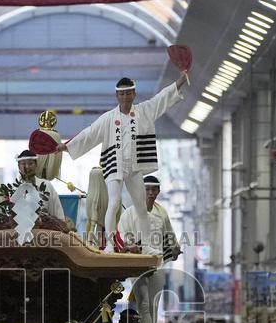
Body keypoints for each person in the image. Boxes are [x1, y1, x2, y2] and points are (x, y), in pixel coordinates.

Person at [55, 71, 188, 253]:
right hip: (115, 166)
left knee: (141, 206)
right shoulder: (108, 118)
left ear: (134, 94)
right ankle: (110, 243)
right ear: (117, 95)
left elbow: (162, 98)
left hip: (134, 166)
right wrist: (67, 146)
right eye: (122, 93)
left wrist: (180, 80)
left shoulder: (144, 111)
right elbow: (90, 133)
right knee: (114, 202)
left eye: (128, 93)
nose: (125, 97)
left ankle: (147, 245)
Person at [116, 175, 180, 323]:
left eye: (154, 189)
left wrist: (175, 249)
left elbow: (169, 234)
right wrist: (130, 245)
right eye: (147, 189)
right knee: (143, 303)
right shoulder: (129, 214)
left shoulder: (162, 212)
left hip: (157, 263)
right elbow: (121, 235)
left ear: (158, 191)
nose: (151, 193)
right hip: (137, 264)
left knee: (154, 303)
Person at [15, 149, 65, 221]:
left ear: (36, 165)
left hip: (44, 228)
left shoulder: (46, 185)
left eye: (30, 163)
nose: (27, 167)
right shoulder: (14, 188)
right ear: (19, 167)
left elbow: (57, 212)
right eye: (23, 164)